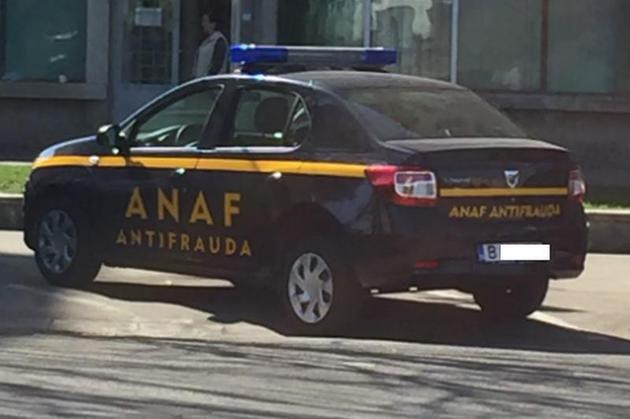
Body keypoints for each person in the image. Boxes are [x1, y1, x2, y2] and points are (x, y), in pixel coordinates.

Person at [192, 13, 228, 78]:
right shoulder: (205, 42)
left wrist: (208, 77)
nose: (203, 24)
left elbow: (217, 64)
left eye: (205, 21)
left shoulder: (219, 41)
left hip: (212, 81)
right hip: (201, 80)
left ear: (213, 24)